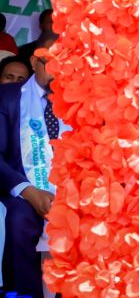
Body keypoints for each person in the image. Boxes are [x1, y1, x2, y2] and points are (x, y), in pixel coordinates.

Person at [0, 38, 66, 298]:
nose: (59, 71)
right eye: (51, 63)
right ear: (34, 61)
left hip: (73, 191)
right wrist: (28, 191)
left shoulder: (83, 99)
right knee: (19, 219)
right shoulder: (7, 97)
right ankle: (24, 294)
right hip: (24, 189)